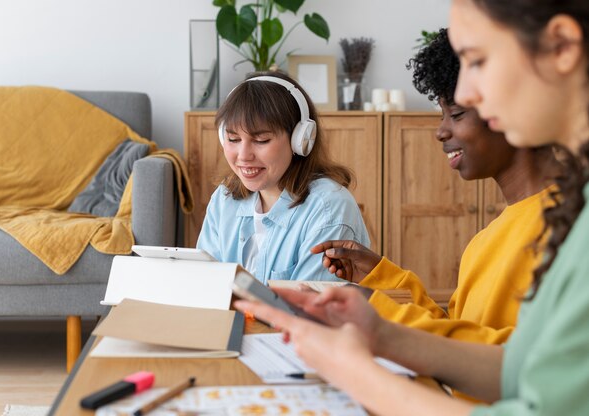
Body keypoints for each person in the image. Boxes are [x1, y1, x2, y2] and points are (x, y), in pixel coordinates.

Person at [236, 1, 589, 414]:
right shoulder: (526, 227)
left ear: (562, 47)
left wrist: (356, 372)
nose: (469, 90)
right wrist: (377, 328)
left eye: (477, 60)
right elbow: (523, 367)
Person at [311, 28, 558, 349]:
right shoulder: (485, 241)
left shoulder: (566, 228)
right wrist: (380, 277)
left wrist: (376, 314)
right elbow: (455, 336)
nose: (441, 131)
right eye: (442, 115)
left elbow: (515, 362)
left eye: (455, 114)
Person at [197, 71, 370, 284]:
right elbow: (204, 285)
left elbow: (309, 311)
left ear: (301, 139)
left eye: (261, 140)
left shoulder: (328, 209)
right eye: (233, 139)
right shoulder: (224, 199)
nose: (243, 156)